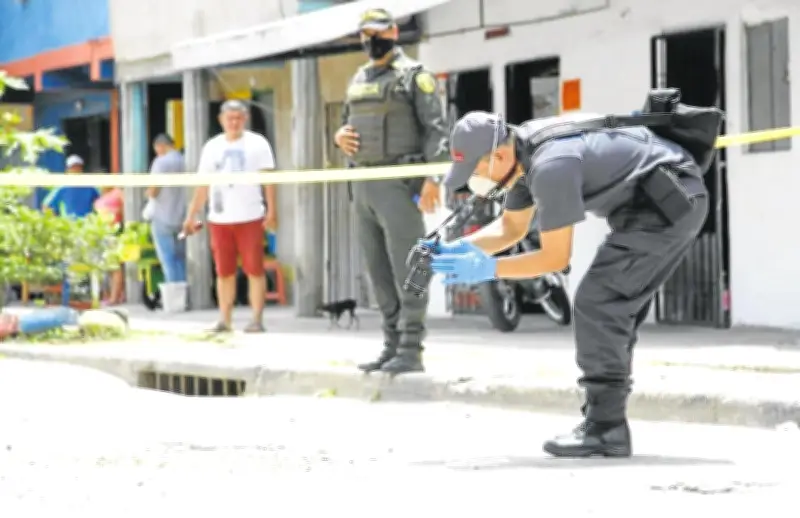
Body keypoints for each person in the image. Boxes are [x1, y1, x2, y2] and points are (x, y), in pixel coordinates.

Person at [428, 110, 709, 458]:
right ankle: (606, 420)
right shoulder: (522, 153)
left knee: (598, 302)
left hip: (671, 202)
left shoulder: (550, 167)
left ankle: (606, 429)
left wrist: (489, 269)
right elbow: (511, 229)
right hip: (645, 205)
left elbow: (554, 259)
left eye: (474, 172)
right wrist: (449, 250)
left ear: (498, 156)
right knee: (609, 308)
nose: (474, 183)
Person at [335, 8, 449, 375]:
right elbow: (345, 125)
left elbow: (436, 130)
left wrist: (433, 179)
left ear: (394, 32)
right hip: (363, 183)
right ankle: (391, 345)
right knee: (378, 271)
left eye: (378, 33)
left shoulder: (415, 76)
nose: (372, 40)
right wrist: (339, 137)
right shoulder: (359, 77)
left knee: (408, 267)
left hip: (400, 182)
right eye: (365, 34)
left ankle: (412, 349)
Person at [182, 100, 277, 333]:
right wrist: (191, 214)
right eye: (229, 118)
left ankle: (256, 319)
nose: (234, 122)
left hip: (251, 215)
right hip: (220, 218)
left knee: (254, 269)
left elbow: (269, 181)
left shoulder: (258, 144)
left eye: (238, 118)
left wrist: (272, 211)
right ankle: (225, 319)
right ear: (221, 120)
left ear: (245, 119)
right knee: (224, 271)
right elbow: (202, 185)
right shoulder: (212, 147)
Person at [41, 154, 101, 306]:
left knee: (87, 266)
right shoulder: (64, 186)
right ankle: (68, 301)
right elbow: (46, 206)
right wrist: (56, 223)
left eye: (78, 167)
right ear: (68, 169)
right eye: (73, 168)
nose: (75, 170)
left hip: (87, 230)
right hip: (70, 231)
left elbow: (99, 203)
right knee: (69, 266)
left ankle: (88, 299)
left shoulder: (89, 186)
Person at [146, 134, 187, 284]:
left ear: (160, 146)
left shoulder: (160, 162)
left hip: (163, 217)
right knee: (181, 258)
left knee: (167, 258)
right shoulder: (184, 161)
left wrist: (148, 192)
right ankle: (185, 293)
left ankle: (174, 294)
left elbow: (154, 190)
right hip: (182, 217)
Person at [94, 185, 125, 305]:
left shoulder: (118, 192)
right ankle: (110, 295)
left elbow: (125, 209)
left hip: (115, 233)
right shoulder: (99, 200)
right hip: (103, 235)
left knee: (115, 267)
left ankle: (114, 297)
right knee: (107, 268)